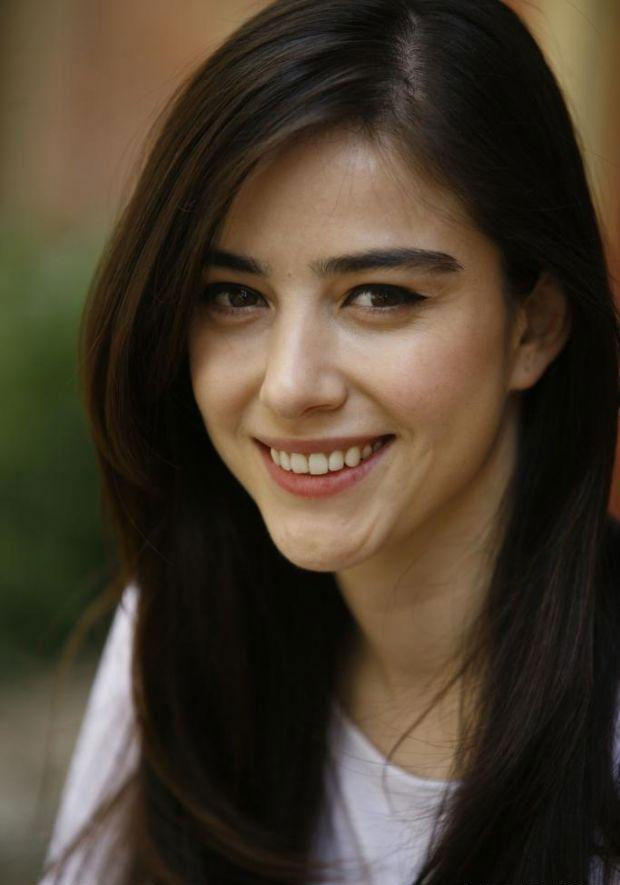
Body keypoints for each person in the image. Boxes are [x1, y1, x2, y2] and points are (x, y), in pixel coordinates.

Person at [40, 0, 620, 882]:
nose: (289, 385)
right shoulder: (177, 640)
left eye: (380, 296)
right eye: (235, 296)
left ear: (533, 326)